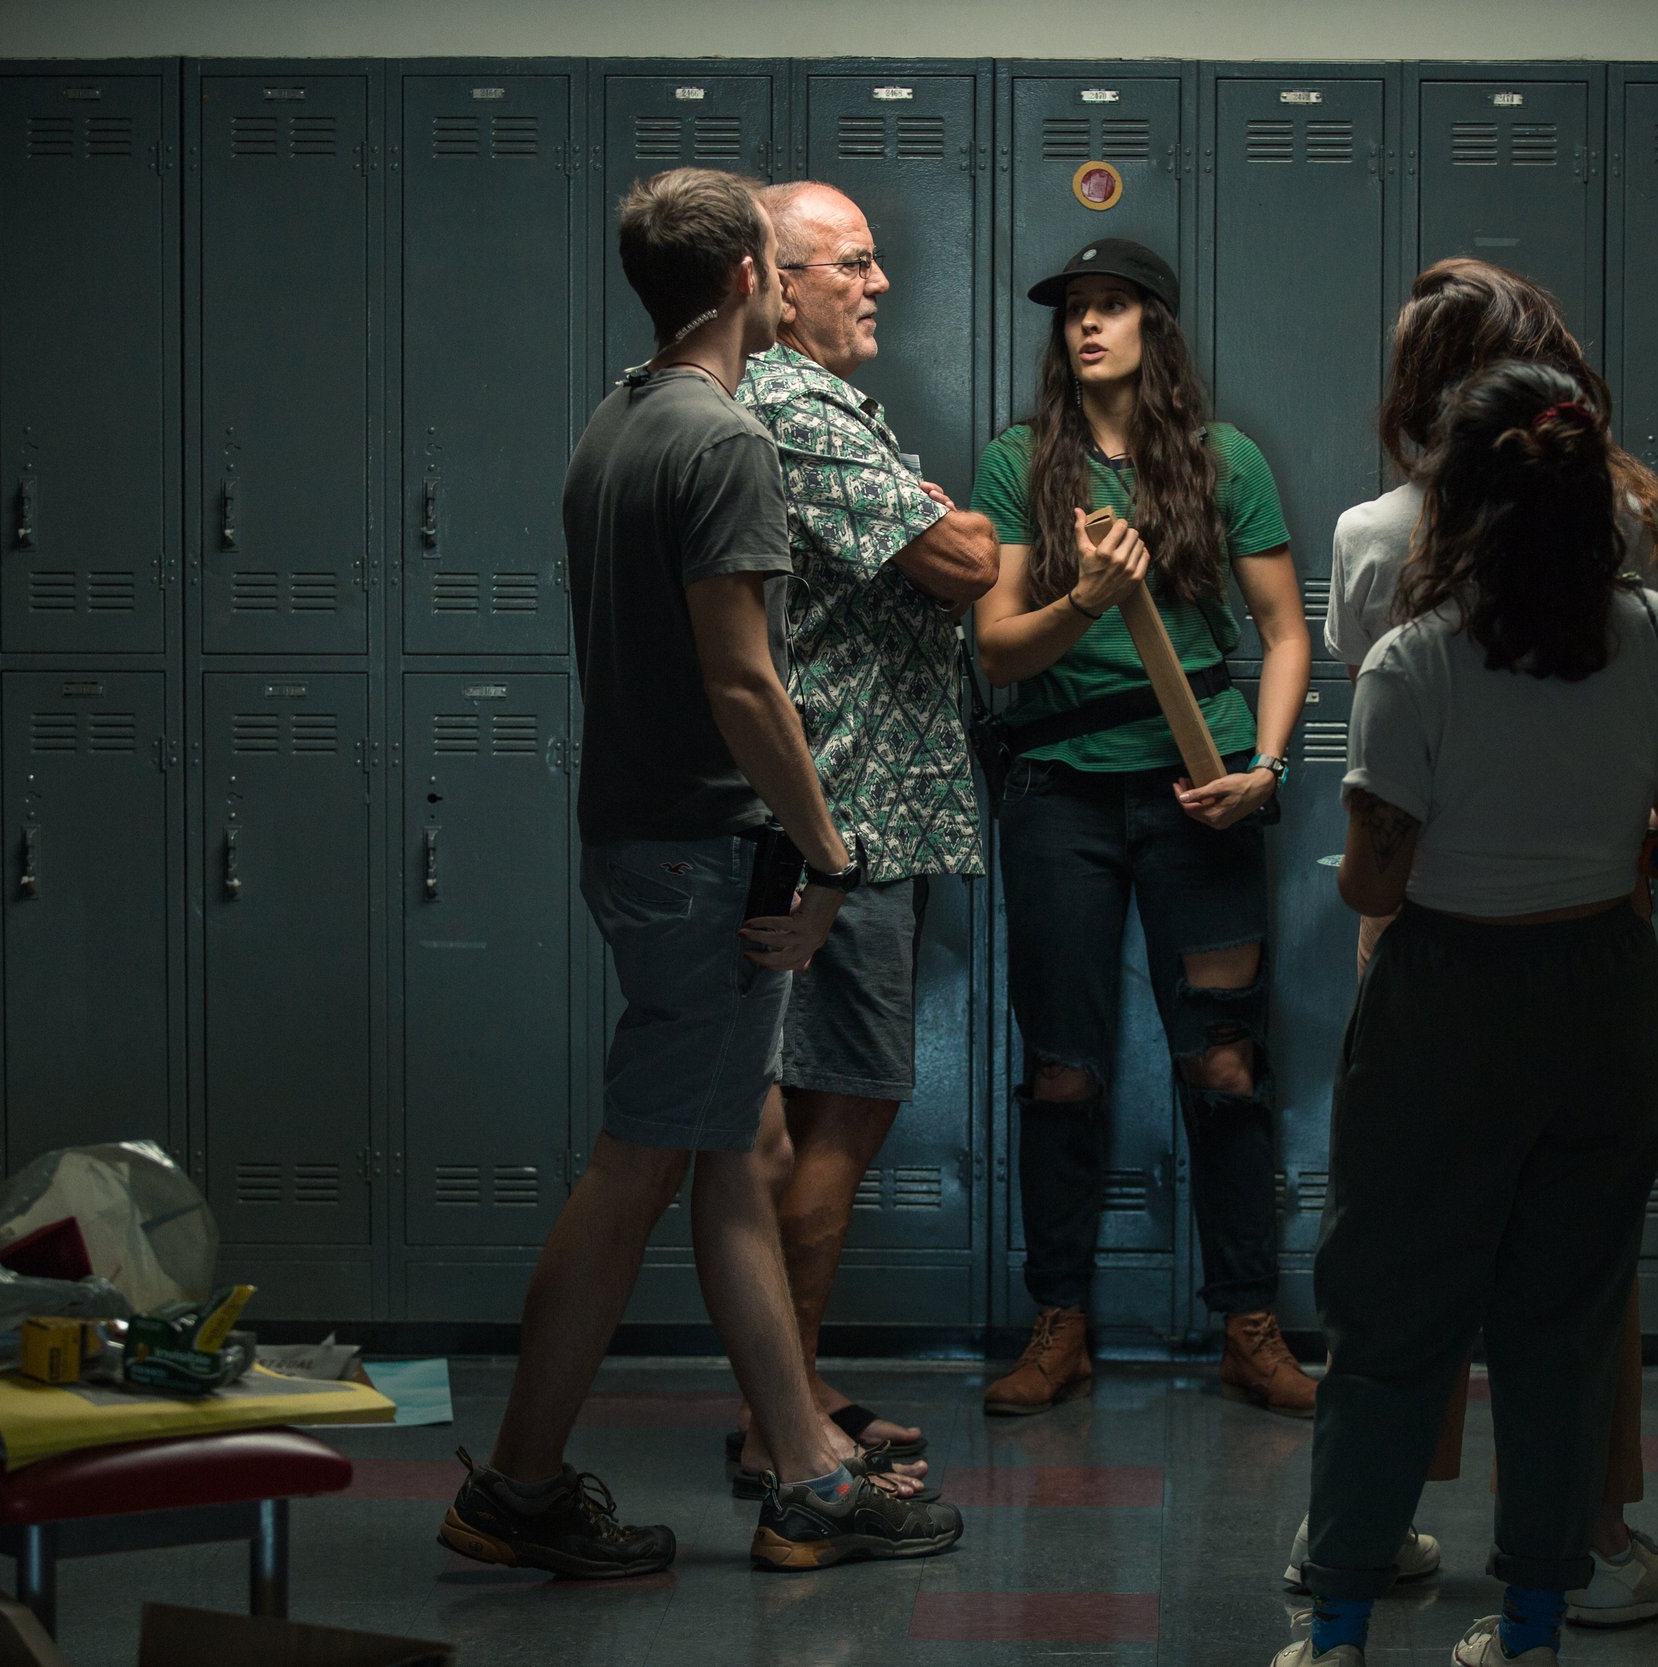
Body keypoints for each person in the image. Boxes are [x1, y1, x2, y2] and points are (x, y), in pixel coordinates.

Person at [438, 167, 961, 1577]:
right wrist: (827, 850)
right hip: (703, 846)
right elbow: (743, 679)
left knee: (722, 1154)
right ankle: (522, 1480)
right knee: (637, 1166)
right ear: (749, 281)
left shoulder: (617, 421)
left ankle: (804, 1464)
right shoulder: (723, 441)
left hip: (638, 833)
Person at [1275, 361, 1658, 1667]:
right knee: (1565, 1325)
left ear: (1451, 497)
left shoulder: (1416, 658)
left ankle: (1343, 1625)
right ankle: (1531, 1622)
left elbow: (1375, 874)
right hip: (1603, 996)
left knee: (1391, 1316)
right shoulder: (1650, 632)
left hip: (1447, 1004)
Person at [970, 238, 1317, 1417]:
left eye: (1110, 305)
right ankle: (1058, 1320)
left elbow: (1282, 634)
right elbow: (996, 648)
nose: (1085, 325)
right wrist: (1087, 599)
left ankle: (1248, 1322)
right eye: (1072, 309)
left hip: (1200, 786)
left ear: (1153, 326)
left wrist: (1263, 767)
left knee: (1223, 1059)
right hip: (1059, 790)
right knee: (1062, 1069)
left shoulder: (1226, 463)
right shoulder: (1021, 462)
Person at [720, 180, 999, 1489]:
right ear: (775, 285)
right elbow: (958, 557)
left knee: (797, 1119)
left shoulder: (800, 407)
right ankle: (787, 1424)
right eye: (853, 264)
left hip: (853, 809)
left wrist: (944, 518)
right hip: (848, 817)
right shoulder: (792, 405)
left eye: (878, 260)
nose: (879, 282)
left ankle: (796, 1387)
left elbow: (939, 536)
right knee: (843, 1110)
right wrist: (955, 522)